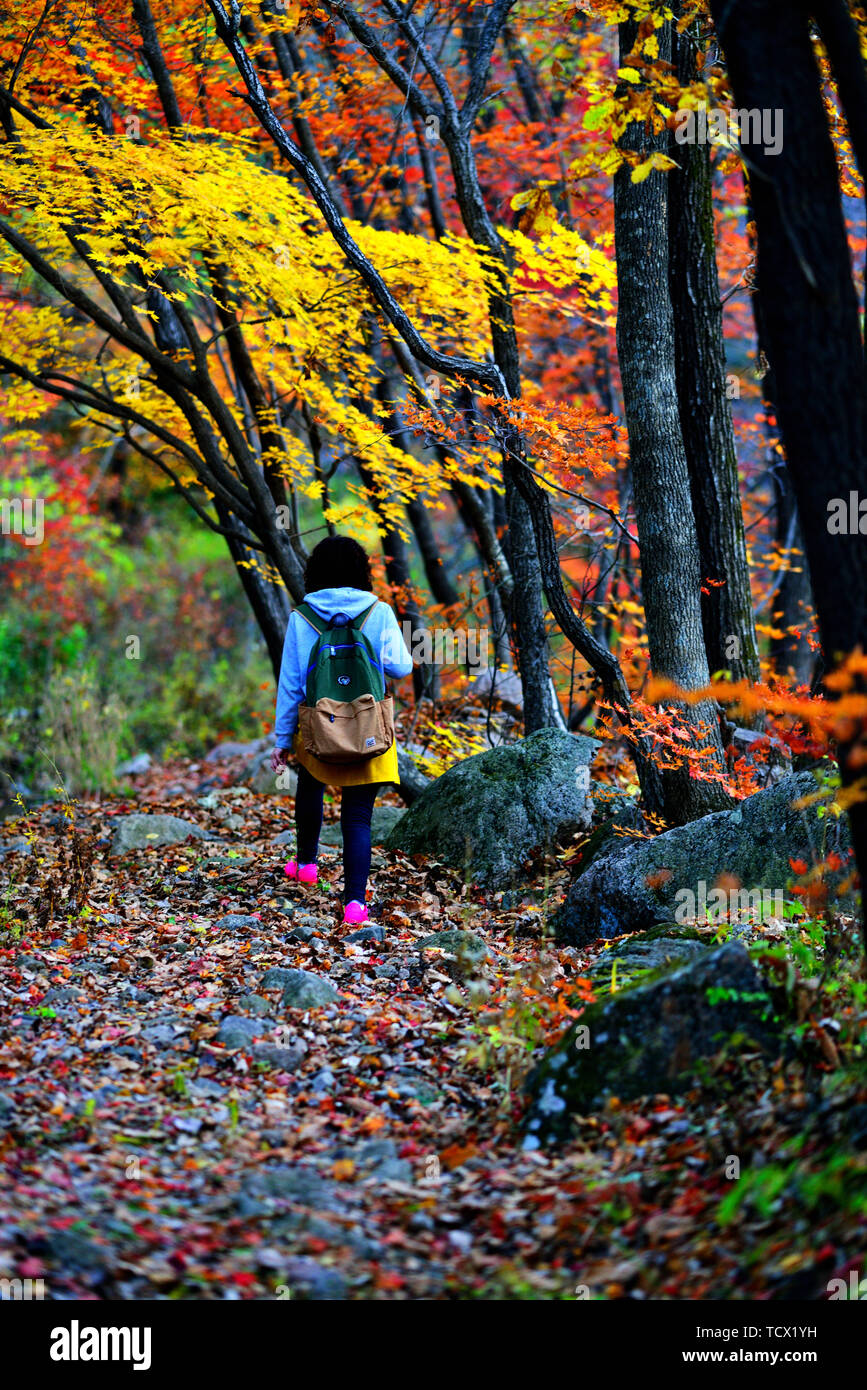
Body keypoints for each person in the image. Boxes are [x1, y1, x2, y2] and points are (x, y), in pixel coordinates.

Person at [271, 536, 414, 927]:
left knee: (310, 785)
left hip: (319, 726)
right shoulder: (379, 612)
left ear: (316, 571)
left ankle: (306, 865)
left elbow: (291, 684)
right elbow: (402, 668)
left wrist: (284, 741)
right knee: (357, 818)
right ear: (360, 571)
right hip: (369, 728)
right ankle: (354, 905)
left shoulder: (303, 616)